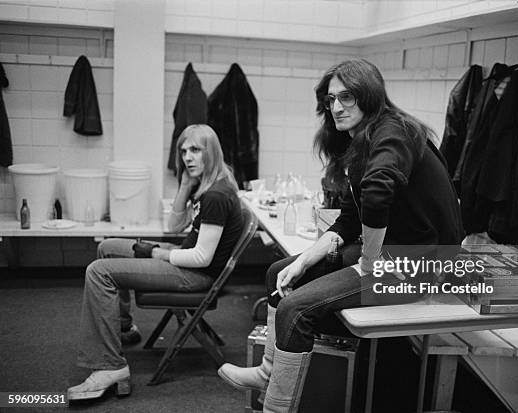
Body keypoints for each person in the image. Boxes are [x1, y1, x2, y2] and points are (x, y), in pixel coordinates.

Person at [218, 58, 464, 412]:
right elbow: (349, 221)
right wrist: (303, 261)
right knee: (279, 275)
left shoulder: (392, 130)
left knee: (297, 308)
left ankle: (275, 408)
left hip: (423, 266)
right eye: (331, 99)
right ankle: (268, 371)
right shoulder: (363, 142)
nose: (335, 107)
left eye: (346, 97)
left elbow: (378, 194)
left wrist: (368, 261)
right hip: (396, 255)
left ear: (369, 94)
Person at [67, 124, 243, 401]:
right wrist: (185, 185)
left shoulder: (216, 196)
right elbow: (174, 225)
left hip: (195, 275)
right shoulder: (207, 187)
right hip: (186, 263)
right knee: (107, 247)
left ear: (212, 152)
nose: (187, 157)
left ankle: (110, 366)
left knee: (99, 272)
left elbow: (201, 257)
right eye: (184, 151)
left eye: (195, 150)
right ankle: (122, 328)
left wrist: (159, 254)